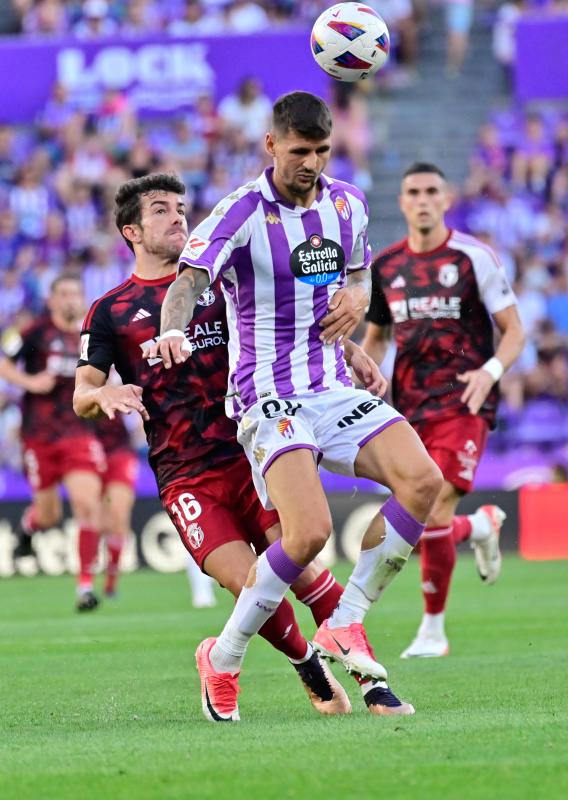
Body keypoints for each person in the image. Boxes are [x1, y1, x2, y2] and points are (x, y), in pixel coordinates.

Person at [150, 93, 443, 721]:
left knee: (424, 480)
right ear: (271, 146)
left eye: (321, 151)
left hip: (332, 385)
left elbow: (359, 275)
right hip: (267, 396)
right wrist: (173, 329)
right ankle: (223, 656)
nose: (311, 162)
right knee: (308, 534)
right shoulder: (241, 212)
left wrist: (359, 308)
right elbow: (189, 282)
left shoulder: (349, 204)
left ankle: (346, 621)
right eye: (299, 151)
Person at [73, 173, 409, 721]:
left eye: (181, 207)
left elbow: (283, 328)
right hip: (186, 475)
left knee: (305, 572)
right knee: (245, 580)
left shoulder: (223, 281)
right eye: (160, 210)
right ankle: (306, 662)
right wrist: (104, 391)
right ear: (131, 230)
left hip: (254, 451)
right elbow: (80, 395)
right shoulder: (111, 310)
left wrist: (346, 349)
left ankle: (373, 686)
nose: (178, 216)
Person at [362, 162, 526, 658]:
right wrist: (361, 379)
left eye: (433, 190)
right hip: (409, 405)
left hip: (464, 401)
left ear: (447, 197)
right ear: (402, 202)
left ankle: (433, 630)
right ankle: (479, 527)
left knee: (434, 506)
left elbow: (515, 330)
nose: (423, 199)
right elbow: (377, 337)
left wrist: (490, 372)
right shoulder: (386, 266)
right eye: (413, 191)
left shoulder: (474, 256)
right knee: (419, 516)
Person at [0, 273, 106, 611]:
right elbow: (3, 359)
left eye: (76, 293)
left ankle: (85, 588)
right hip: (39, 436)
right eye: (64, 294)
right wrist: (29, 382)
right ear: (52, 300)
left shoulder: (91, 336)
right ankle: (29, 528)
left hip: (78, 433)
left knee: (88, 505)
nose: (72, 300)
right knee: (48, 514)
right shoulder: (35, 332)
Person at [94, 411, 139, 597]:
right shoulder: (79, 384)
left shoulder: (124, 384)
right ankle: (87, 582)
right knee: (100, 522)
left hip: (121, 453)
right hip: (91, 452)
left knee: (119, 518)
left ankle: (111, 583)